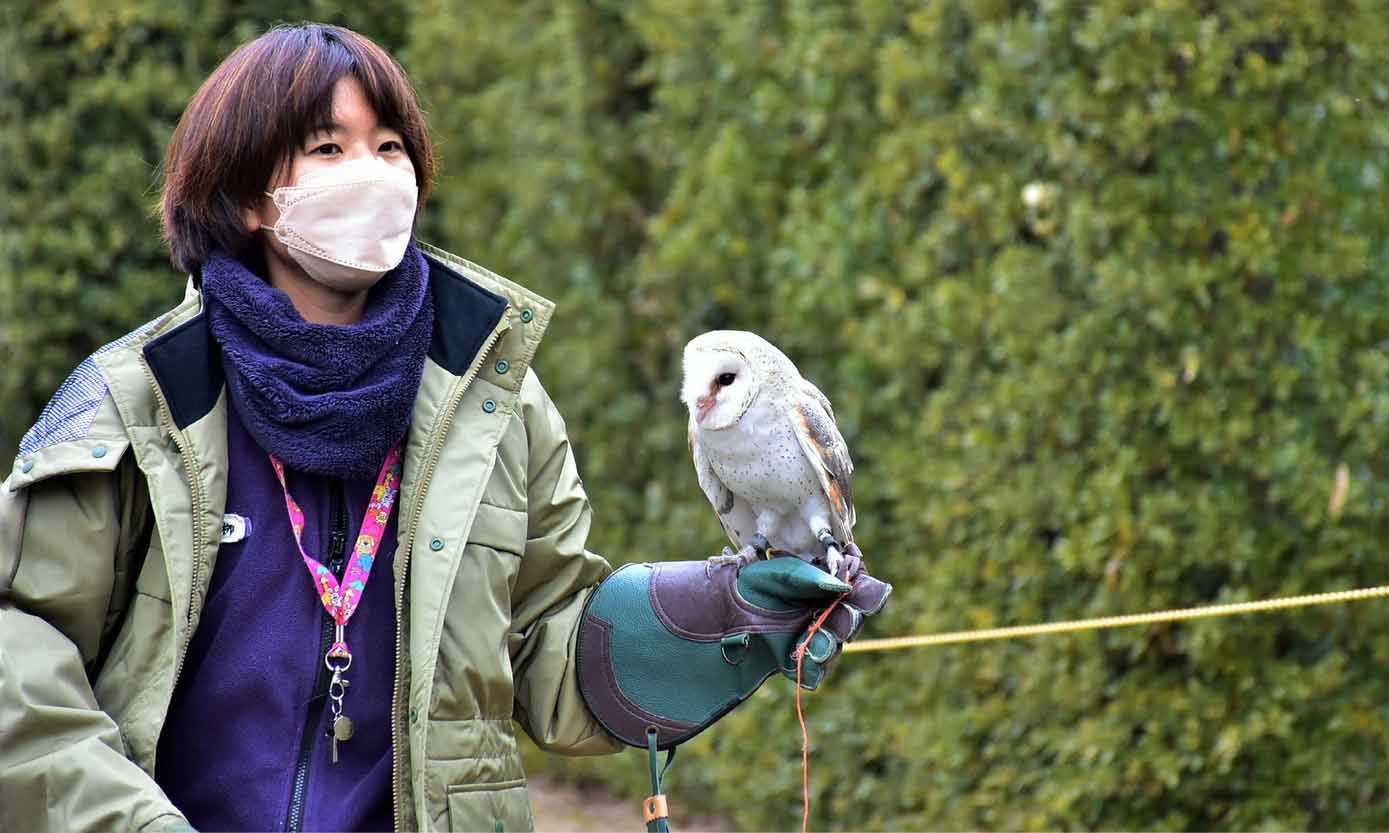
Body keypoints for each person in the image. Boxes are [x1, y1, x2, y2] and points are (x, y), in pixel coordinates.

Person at [0, 22, 889, 833]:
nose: (374, 170)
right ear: (246, 198)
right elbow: (19, 659)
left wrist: (717, 610)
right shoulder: (136, 400)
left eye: (391, 147)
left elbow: (551, 649)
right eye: (328, 147)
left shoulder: (498, 401)